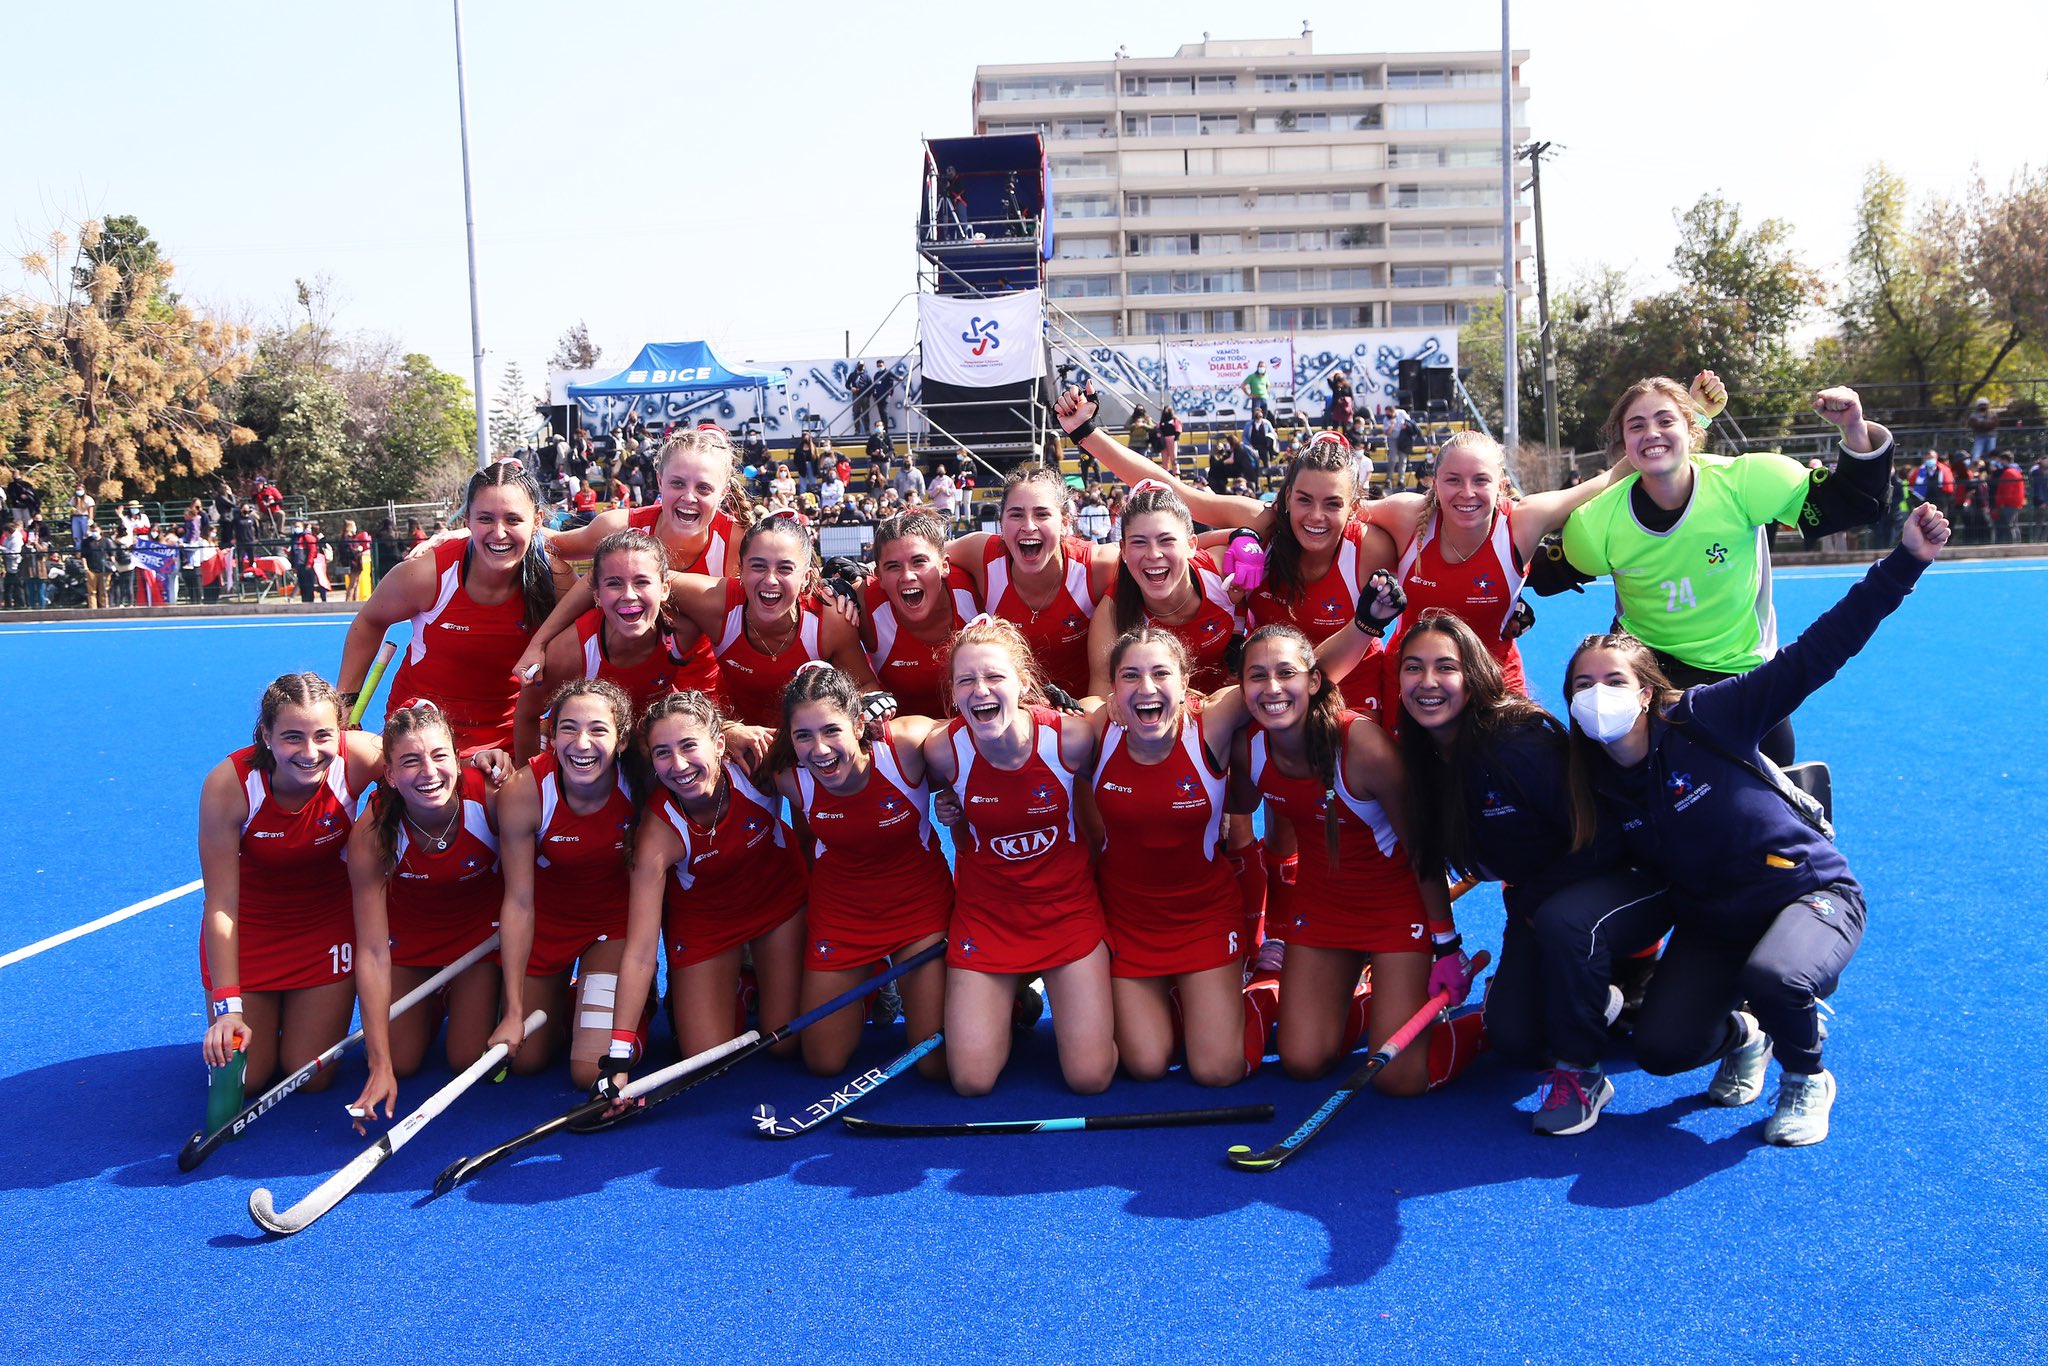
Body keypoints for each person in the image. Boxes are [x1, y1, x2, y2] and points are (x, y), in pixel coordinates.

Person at [1560, 501, 1952, 1145]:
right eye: (1582, 683)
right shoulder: (1591, 779)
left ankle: (1807, 1077)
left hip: (1807, 894)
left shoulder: (1706, 717)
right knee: (1660, 1049)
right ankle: (1749, 1033)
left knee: (1776, 978)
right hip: (1716, 922)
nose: (1597, 694)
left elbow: (1815, 654)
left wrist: (1904, 562)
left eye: (1613, 679)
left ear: (1648, 689)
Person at [1397, 608, 1669, 1134]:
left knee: (1563, 921)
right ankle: (1598, 997)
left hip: (1623, 880)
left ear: (1474, 676)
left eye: (1444, 667)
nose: (1427, 682)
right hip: (1544, 901)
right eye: (1413, 667)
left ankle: (1583, 1073)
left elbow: (1604, 840)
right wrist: (1445, 946)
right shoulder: (1422, 756)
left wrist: (1529, 901)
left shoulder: (1516, 743)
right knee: (1517, 1041)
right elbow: (1425, 859)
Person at [1534, 375, 1894, 766]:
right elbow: (1546, 571)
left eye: (1665, 420)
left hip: (1742, 675)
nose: (1652, 433)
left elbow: (1854, 505)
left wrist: (1854, 427)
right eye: (1636, 425)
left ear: (1693, 428)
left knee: (1771, 799)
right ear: (1624, 445)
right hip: (1648, 677)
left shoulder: (1746, 483)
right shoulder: (1596, 522)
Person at [920, 616, 1115, 1095]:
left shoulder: (1070, 739)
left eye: (994, 677)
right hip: (988, 917)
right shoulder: (943, 751)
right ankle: (1016, 1001)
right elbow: (963, 832)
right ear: (952, 690)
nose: (980, 690)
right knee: (970, 1081)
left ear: (1024, 682)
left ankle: (1084, 989)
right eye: (965, 680)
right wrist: (956, 815)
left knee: (1090, 1078)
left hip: (1066, 913)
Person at [1085, 627, 1275, 1085]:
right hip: (1128, 923)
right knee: (1147, 1065)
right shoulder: (1095, 729)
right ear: (1113, 689)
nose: (1146, 688)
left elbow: (1287, 680)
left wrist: (1367, 622)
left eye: (1160, 673)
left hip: (1203, 918)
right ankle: (1184, 1003)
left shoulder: (1211, 722)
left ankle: (1266, 992)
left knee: (1217, 1071)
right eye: (1130, 676)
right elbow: (1013, 730)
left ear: (1185, 684)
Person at [601, 690, 810, 1090]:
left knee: (786, 1044)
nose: (678, 765)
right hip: (706, 926)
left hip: (777, 906)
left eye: (688, 746)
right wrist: (617, 1058)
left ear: (719, 744)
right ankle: (743, 983)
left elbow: (826, 748)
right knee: (707, 1062)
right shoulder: (656, 833)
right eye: (663, 753)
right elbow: (642, 952)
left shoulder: (757, 766)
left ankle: (866, 974)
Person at [198, 674, 387, 1096]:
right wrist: (228, 1007)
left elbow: (432, 760)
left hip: (324, 927)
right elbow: (221, 904)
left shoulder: (359, 757)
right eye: (291, 737)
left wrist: (486, 760)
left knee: (312, 1078)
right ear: (265, 734)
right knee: (248, 1082)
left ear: (340, 730)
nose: (309, 752)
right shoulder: (229, 785)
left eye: (323, 735)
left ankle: (291, 1019)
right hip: (250, 931)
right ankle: (260, 1016)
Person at [771, 666, 950, 1077]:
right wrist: (735, 729)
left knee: (935, 1065)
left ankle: (1004, 997)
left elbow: (978, 733)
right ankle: (873, 987)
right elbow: (705, 746)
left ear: (858, 723)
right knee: (823, 1063)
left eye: (832, 730)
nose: (819, 749)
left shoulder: (903, 745)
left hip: (919, 912)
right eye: (803, 736)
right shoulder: (785, 775)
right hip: (842, 917)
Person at [343, 701, 510, 1129]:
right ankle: (434, 1002)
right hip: (409, 945)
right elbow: (373, 951)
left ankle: (521, 995)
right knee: (400, 1059)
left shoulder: (489, 799)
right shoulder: (372, 832)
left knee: (466, 1059)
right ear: (390, 775)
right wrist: (379, 1063)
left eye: (439, 756)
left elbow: (528, 892)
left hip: (480, 943)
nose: (429, 772)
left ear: (459, 758)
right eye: (411, 761)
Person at [338, 463, 575, 755]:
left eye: (513, 519)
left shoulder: (555, 579)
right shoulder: (428, 574)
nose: (499, 533)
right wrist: (344, 705)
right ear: (468, 520)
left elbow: (590, 638)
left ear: (537, 521)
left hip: (508, 742)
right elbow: (370, 622)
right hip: (420, 735)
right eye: (485, 519)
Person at [494, 680, 640, 1088]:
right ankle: (569, 999)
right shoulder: (524, 791)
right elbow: (519, 902)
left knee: (589, 1074)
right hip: (547, 927)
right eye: (568, 729)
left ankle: (630, 1005)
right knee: (525, 1062)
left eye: (598, 729)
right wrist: (514, 1010)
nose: (582, 743)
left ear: (622, 740)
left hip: (613, 929)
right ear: (551, 738)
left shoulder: (642, 782)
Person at [512, 530, 700, 762]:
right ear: (597, 596)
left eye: (642, 582)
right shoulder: (572, 650)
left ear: (664, 589)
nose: (629, 595)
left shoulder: (683, 633)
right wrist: (532, 785)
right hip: (583, 761)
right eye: (614, 584)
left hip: (649, 756)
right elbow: (526, 715)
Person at [942, 465, 1120, 698]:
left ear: (1065, 523)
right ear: (1001, 523)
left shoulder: (1096, 565)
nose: (1028, 526)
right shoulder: (981, 554)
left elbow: (1160, 554)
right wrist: (876, 570)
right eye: (1016, 514)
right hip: (1010, 714)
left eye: (1042, 514)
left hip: (1085, 713)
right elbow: (921, 556)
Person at [1086, 484, 1237, 697]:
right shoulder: (1112, 613)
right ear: (1124, 550)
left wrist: (1247, 535)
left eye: (1166, 540)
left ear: (1192, 545)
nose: (1154, 554)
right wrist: (1110, 707)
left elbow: (1266, 521)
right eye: (1139, 542)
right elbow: (1097, 699)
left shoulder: (1223, 573)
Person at [857, 512, 982, 716]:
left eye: (919, 562)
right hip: (903, 738)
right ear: (878, 576)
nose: (907, 576)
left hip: (980, 731)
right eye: (893, 566)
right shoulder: (861, 603)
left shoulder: (977, 588)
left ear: (944, 566)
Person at [81, 522, 111, 609]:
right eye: (92, 530)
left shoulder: (106, 541)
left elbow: (111, 554)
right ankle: (93, 609)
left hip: (104, 570)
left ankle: (105, 608)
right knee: (92, 592)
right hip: (91, 569)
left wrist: (112, 566)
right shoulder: (86, 542)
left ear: (100, 530)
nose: (94, 532)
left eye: (96, 530)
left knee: (104, 591)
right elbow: (83, 556)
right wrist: (85, 568)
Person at [1967, 396, 1999, 462]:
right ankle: (1974, 469)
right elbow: (1973, 424)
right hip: (1979, 436)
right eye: (1981, 405)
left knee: (1991, 454)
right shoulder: (1974, 415)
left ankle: (1992, 469)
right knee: (1976, 455)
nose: (1983, 407)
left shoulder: (1992, 414)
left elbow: (1993, 424)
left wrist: (1981, 424)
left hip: (1991, 436)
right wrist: (1985, 424)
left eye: (1985, 405)